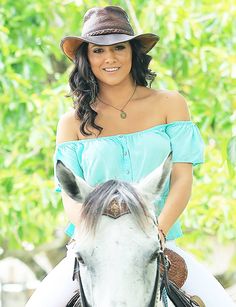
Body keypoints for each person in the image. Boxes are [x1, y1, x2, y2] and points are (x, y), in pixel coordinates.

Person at [26, 5, 235, 307]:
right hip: (93, 248)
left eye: (119, 48)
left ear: (134, 52)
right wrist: (94, 236)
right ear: (86, 58)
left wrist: (156, 233)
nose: (109, 58)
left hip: (157, 242)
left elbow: (181, 179)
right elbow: (71, 196)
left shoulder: (170, 104)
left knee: (220, 302)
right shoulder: (70, 122)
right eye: (98, 50)